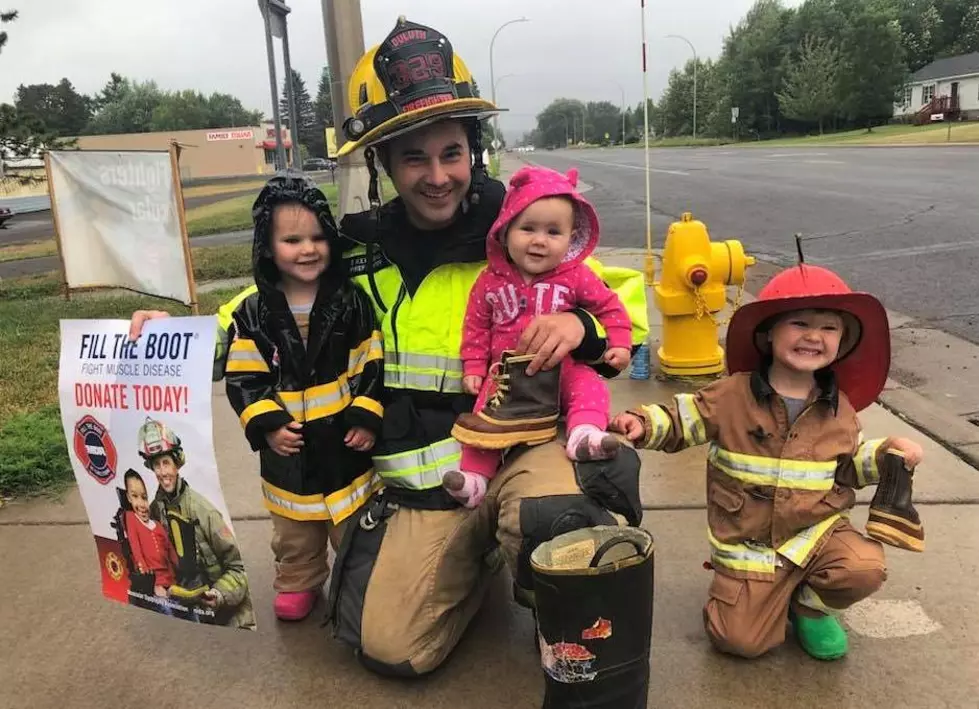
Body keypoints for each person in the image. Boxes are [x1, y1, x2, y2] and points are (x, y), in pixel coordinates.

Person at [128, 17, 651, 702]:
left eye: (452, 152)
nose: (437, 176)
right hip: (432, 483)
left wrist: (577, 323)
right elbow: (268, 310)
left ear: (474, 151)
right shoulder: (352, 251)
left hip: (524, 446)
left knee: (556, 519)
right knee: (389, 647)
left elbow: (625, 309)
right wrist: (177, 335)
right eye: (413, 157)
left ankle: (538, 557)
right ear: (382, 164)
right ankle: (484, 546)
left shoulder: (520, 229)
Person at [610, 263, 924, 661]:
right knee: (739, 642)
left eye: (829, 328)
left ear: (842, 342)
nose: (813, 336)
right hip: (751, 546)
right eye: (799, 323)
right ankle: (755, 596)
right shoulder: (731, 394)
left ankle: (808, 604)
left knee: (863, 568)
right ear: (767, 334)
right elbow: (681, 418)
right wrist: (640, 422)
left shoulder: (839, 407)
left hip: (815, 536)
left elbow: (848, 466)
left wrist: (886, 454)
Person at [223, 171, 383, 622]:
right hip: (287, 448)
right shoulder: (253, 313)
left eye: (317, 237)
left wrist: (365, 416)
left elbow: (370, 360)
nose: (308, 249)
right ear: (268, 248)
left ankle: (356, 580)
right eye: (292, 240)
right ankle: (299, 580)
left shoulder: (349, 302)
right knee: (293, 529)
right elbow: (244, 376)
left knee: (351, 524)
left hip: (342, 443)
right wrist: (269, 425)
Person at [443, 165, 633, 509]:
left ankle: (584, 435)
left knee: (589, 387)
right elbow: (475, 327)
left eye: (553, 232)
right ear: (504, 231)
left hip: (563, 369)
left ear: (570, 237)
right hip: (505, 374)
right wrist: (473, 365)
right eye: (527, 228)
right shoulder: (489, 281)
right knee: (485, 419)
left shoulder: (577, 276)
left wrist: (618, 342)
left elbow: (610, 307)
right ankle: (473, 479)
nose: (539, 240)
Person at [138, 417, 256, 629]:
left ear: (177, 463)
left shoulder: (204, 511)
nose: (163, 472)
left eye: (166, 463)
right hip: (189, 612)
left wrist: (218, 595)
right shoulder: (156, 510)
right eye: (156, 464)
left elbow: (239, 568)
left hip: (230, 616)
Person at [122, 469, 178, 601]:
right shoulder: (131, 518)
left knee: (186, 602)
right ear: (129, 497)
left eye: (144, 497)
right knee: (166, 605)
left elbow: (170, 551)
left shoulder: (157, 525)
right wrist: (149, 581)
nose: (141, 504)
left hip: (169, 578)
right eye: (135, 496)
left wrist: (181, 571)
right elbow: (136, 550)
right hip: (152, 579)